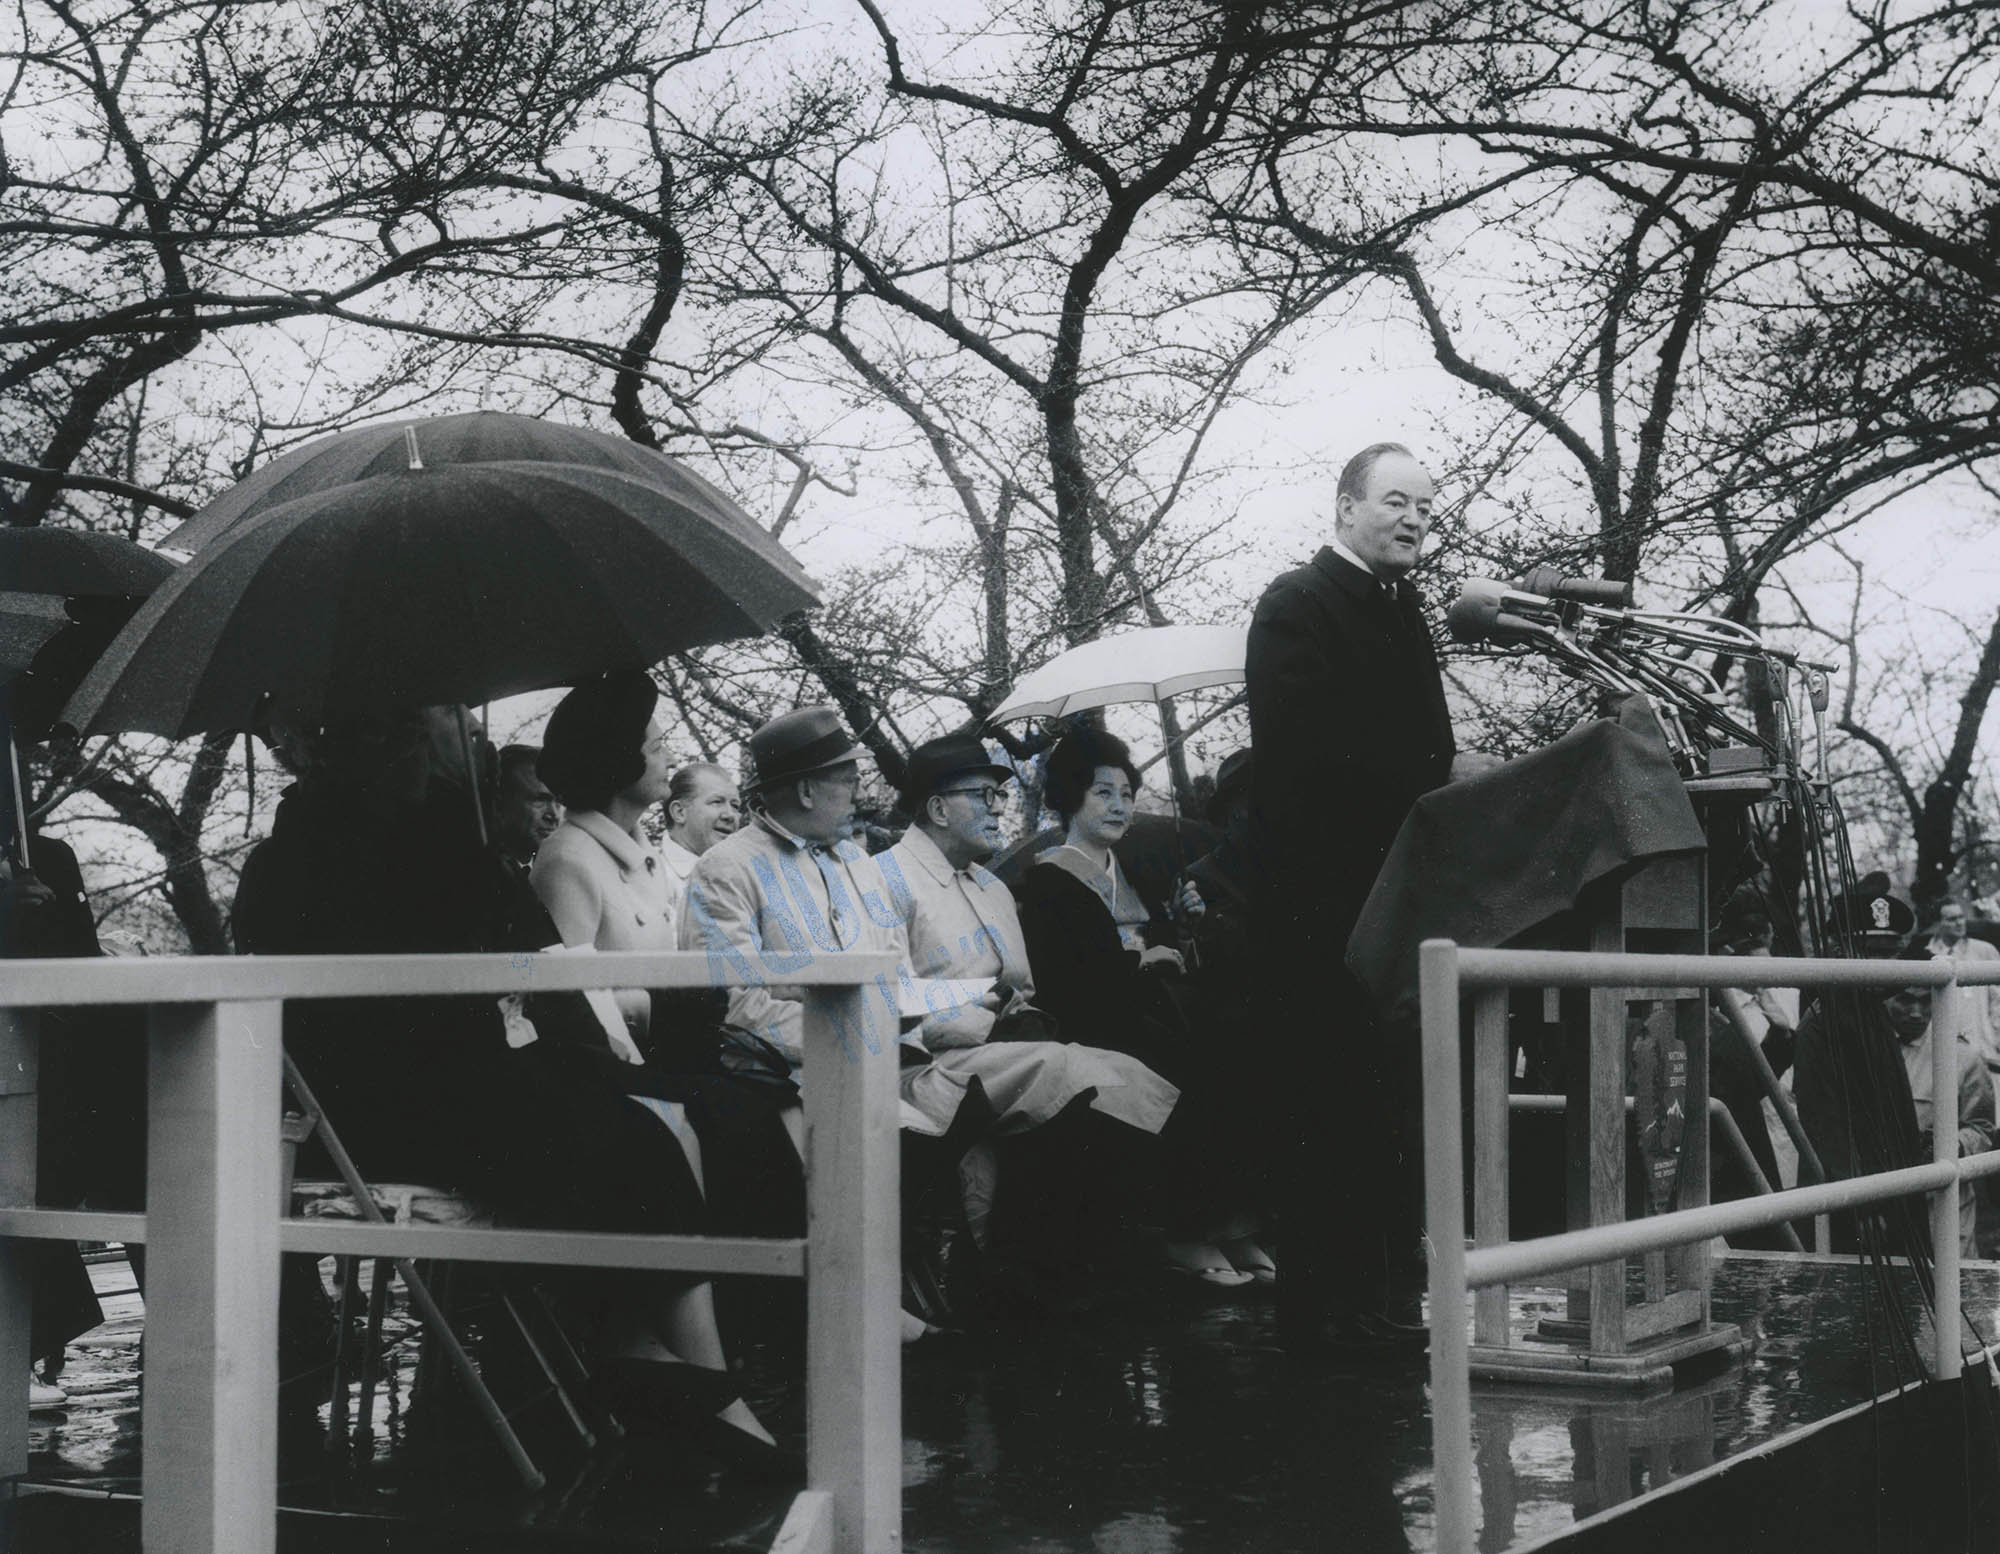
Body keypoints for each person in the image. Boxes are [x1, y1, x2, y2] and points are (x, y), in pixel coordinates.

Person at [234, 704, 786, 1471]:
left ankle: (664, 1354)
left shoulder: (439, 833)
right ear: (401, 740)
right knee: (632, 1133)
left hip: (454, 1067)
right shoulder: (341, 839)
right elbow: (388, 1001)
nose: (478, 737)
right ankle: (683, 1375)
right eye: (455, 723)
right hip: (383, 1099)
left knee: (695, 1110)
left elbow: (525, 950)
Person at [1245, 441, 1487, 1347]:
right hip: (1320, 914)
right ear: (1345, 508)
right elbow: (1305, 752)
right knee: (1330, 1116)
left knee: (1391, 1114)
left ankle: (1387, 1305)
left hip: (1396, 904)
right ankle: (1328, 1327)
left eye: (1427, 504)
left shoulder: (1406, 613)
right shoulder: (1295, 604)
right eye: (1396, 500)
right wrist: (1439, 767)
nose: (1416, 518)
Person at [878, 734, 1180, 1251]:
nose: (1000, 810)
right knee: (1085, 1082)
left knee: (1129, 1078)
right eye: (985, 796)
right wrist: (986, 1015)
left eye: (1001, 796)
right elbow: (892, 1006)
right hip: (931, 1062)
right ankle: (1034, 1278)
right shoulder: (881, 880)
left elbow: (1026, 991)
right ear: (937, 808)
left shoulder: (993, 889)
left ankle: (1080, 1264)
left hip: (1009, 1049)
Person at [1013, 727, 1270, 1286]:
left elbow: (1159, 949)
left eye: (1127, 794)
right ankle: (1187, 1233)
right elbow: (1071, 982)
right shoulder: (1050, 880)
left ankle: (1233, 1223)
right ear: (1070, 798)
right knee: (1196, 1064)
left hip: (1143, 1010)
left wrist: (1181, 926)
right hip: (1089, 1025)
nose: (1119, 806)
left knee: (1239, 1046)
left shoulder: (1128, 871)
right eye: (1103, 792)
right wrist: (1143, 962)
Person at [677, 706, 907, 1074]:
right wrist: (862, 1034)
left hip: (890, 1068)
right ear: (805, 791)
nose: (860, 796)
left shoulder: (860, 863)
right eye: (850, 781)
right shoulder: (725, 869)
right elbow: (737, 1011)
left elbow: (899, 972)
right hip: (794, 1085)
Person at [1926, 898, 2000, 1068]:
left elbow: (1998, 999)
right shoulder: (1927, 954)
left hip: (1985, 1049)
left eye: (1961, 917)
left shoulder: (1984, 951)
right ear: (1938, 923)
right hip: (1942, 1051)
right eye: (1951, 919)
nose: (1959, 923)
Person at [661, 763, 741, 899]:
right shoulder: (655, 878)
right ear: (679, 812)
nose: (730, 815)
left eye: (735, 805)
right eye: (717, 802)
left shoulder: (742, 877)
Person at [490, 744, 560, 877]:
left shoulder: (550, 871)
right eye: (540, 800)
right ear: (498, 804)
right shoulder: (482, 873)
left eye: (558, 801)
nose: (554, 815)